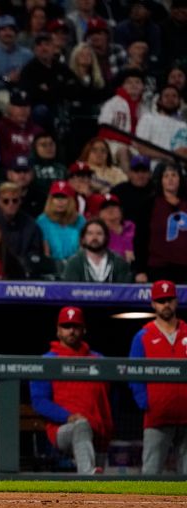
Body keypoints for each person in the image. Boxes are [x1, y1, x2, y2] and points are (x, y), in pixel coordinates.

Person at [30, 306, 113, 474]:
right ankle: (87, 474)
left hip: (97, 429)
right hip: (63, 429)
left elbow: (105, 400)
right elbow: (39, 401)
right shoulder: (48, 361)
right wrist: (68, 417)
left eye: (76, 326)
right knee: (80, 426)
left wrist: (107, 428)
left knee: (100, 488)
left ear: (84, 330)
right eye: (66, 327)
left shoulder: (98, 359)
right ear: (58, 331)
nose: (71, 331)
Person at [129, 280, 187, 474]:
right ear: (153, 304)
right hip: (157, 417)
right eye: (161, 300)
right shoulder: (143, 336)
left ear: (176, 301)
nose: (166, 305)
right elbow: (134, 375)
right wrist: (147, 403)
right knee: (151, 475)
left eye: (169, 299)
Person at [133, 164, 187, 283]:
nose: (170, 179)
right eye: (166, 176)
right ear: (160, 180)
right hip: (158, 269)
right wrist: (140, 270)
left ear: (181, 179)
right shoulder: (149, 204)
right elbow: (140, 239)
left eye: (174, 175)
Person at [0, 181, 44, 273]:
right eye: (6, 201)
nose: (11, 204)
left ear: (20, 201)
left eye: (15, 200)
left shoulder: (31, 225)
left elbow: (35, 254)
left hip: (23, 271)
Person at [62, 219, 133, 282]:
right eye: (90, 233)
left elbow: (124, 292)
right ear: (83, 239)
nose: (94, 237)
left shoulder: (119, 262)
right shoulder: (74, 263)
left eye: (99, 233)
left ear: (106, 238)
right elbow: (69, 292)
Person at [36, 181, 86, 263]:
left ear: (71, 200)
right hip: (52, 266)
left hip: (76, 265)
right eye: (56, 197)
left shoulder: (80, 220)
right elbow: (45, 252)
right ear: (51, 200)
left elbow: (83, 248)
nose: (60, 201)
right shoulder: (42, 221)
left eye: (64, 197)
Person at [0, 90, 43, 169]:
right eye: (18, 106)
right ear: (9, 108)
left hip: (33, 171)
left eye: (26, 106)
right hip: (8, 171)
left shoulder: (38, 131)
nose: (23, 110)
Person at [110, 154, 154, 227]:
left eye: (144, 171)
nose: (140, 175)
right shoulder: (118, 191)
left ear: (149, 174)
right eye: (136, 171)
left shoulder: (156, 191)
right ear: (130, 173)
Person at [94, 193, 135, 262]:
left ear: (121, 210)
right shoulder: (96, 234)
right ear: (99, 214)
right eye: (105, 208)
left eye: (114, 206)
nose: (110, 211)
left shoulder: (132, 227)